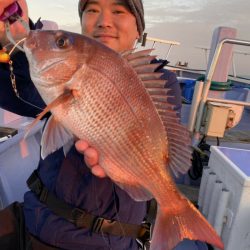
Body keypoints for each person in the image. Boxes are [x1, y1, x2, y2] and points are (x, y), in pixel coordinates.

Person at [0, 0, 208, 249]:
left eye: (119, 11)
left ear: (138, 28)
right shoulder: (57, 77)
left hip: (102, 242)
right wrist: (14, 34)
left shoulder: (159, 81)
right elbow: (20, 89)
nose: (104, 21)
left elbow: (161, 148)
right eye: (92, 10)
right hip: (35, 218)